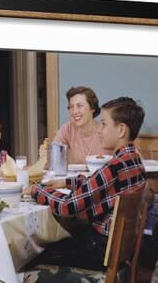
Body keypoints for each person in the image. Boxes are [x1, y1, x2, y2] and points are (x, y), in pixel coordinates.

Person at [23, 97, 147, 270]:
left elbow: (68, 206)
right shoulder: (133, 159)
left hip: (100, 249)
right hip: (116, 250)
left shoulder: (114, 166)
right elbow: (100, 183)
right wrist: (66, 182)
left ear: (120, 130)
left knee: (31, 255)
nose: (99, 131)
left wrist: (37, 190)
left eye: (103, 124)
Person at [39, 86, 110, 164]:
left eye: (79, 106)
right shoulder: (67, 128)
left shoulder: (105, 130)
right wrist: (46, 155)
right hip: (79, 176)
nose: (74, 111)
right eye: (71, 107)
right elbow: (53, 161)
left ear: (92, 108)